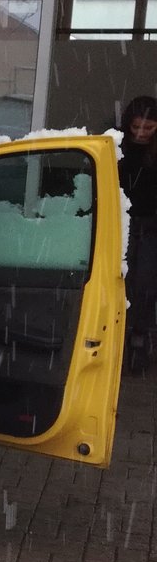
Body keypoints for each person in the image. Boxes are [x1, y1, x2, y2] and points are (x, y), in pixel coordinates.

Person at [117, 94, 157, 372]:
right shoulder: (117, 146)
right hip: (123, 222)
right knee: (121, 280)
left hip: (151, 225)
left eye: (148, 128)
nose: (141, 133)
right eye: (136, 127)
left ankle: (139, 337)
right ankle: (123, 335)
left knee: (145, 283)